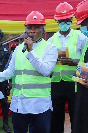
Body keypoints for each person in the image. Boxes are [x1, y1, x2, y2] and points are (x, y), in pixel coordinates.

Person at [0, 11, 58, 133]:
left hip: (39, 104)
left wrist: (31, 52)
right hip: (19, 103)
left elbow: (46, 71)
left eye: (37, 27)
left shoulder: (50, 48)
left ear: (43, 30)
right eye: (29, 27)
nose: (32, 31)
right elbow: (11, 71)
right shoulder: (19, 49)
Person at [47, 2, 88, 133]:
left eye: (67, 20)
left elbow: (85, 60)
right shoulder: (51, 40)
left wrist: (73, 62)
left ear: (71, 20)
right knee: (56, 118)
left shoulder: (81, 37)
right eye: (61, 21)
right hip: (56, 84)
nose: (64, 23)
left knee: (76, 115)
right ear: (56, 21)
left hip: (74, 84)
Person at [73, 1, 88, 133]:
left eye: (85, 24)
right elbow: (84, 63)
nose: (84, 28)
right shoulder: (87, 41)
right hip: (82, 92)